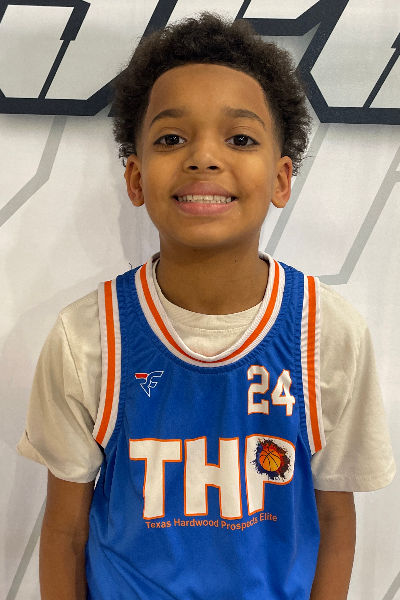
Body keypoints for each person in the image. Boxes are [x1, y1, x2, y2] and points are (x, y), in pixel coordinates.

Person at [17, 12, 395, 600]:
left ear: (282, 178)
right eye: (172, 138)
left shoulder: (329, 333)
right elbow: (65, 532)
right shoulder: (86, 337)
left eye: (240, 139)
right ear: (136, 178)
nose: (204, 157)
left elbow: (334, 519)